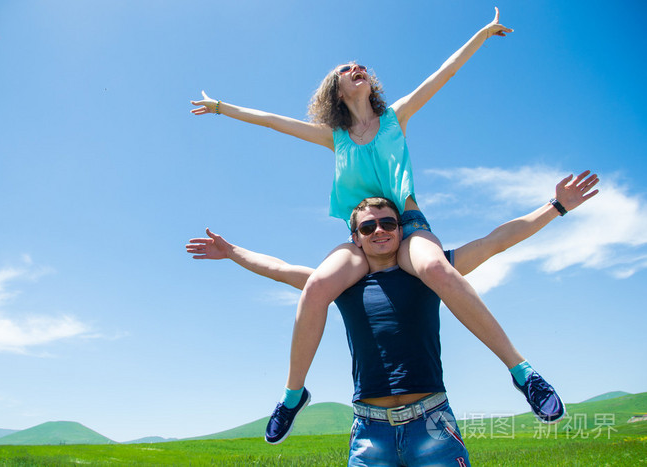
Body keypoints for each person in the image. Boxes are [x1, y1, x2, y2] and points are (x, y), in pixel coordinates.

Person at [191, 8, 555, 444]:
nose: (356, 69)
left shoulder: (395, 118)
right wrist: (218, 108)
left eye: (360, 66)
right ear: (336, 90)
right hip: (362, 232)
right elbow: (272, 121)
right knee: (315, 287)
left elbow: (445, 72)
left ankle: (522, 372)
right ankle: (293, 395)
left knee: (439, 270)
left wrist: (483, 33)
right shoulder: (335, 137)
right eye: (345, 70)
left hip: (407, 223)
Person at [186, 172, 598, 464]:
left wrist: (557, 206)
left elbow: (495, 241)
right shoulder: (340, 284)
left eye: (389, 223)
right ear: (355, 237)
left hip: (432, 422)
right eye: (369, 226)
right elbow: (276, 268)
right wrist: (232, 251)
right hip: (369, 431)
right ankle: (292, 397)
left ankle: (523, 373)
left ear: (402, 229)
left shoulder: (427, 270)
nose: (380, 230)